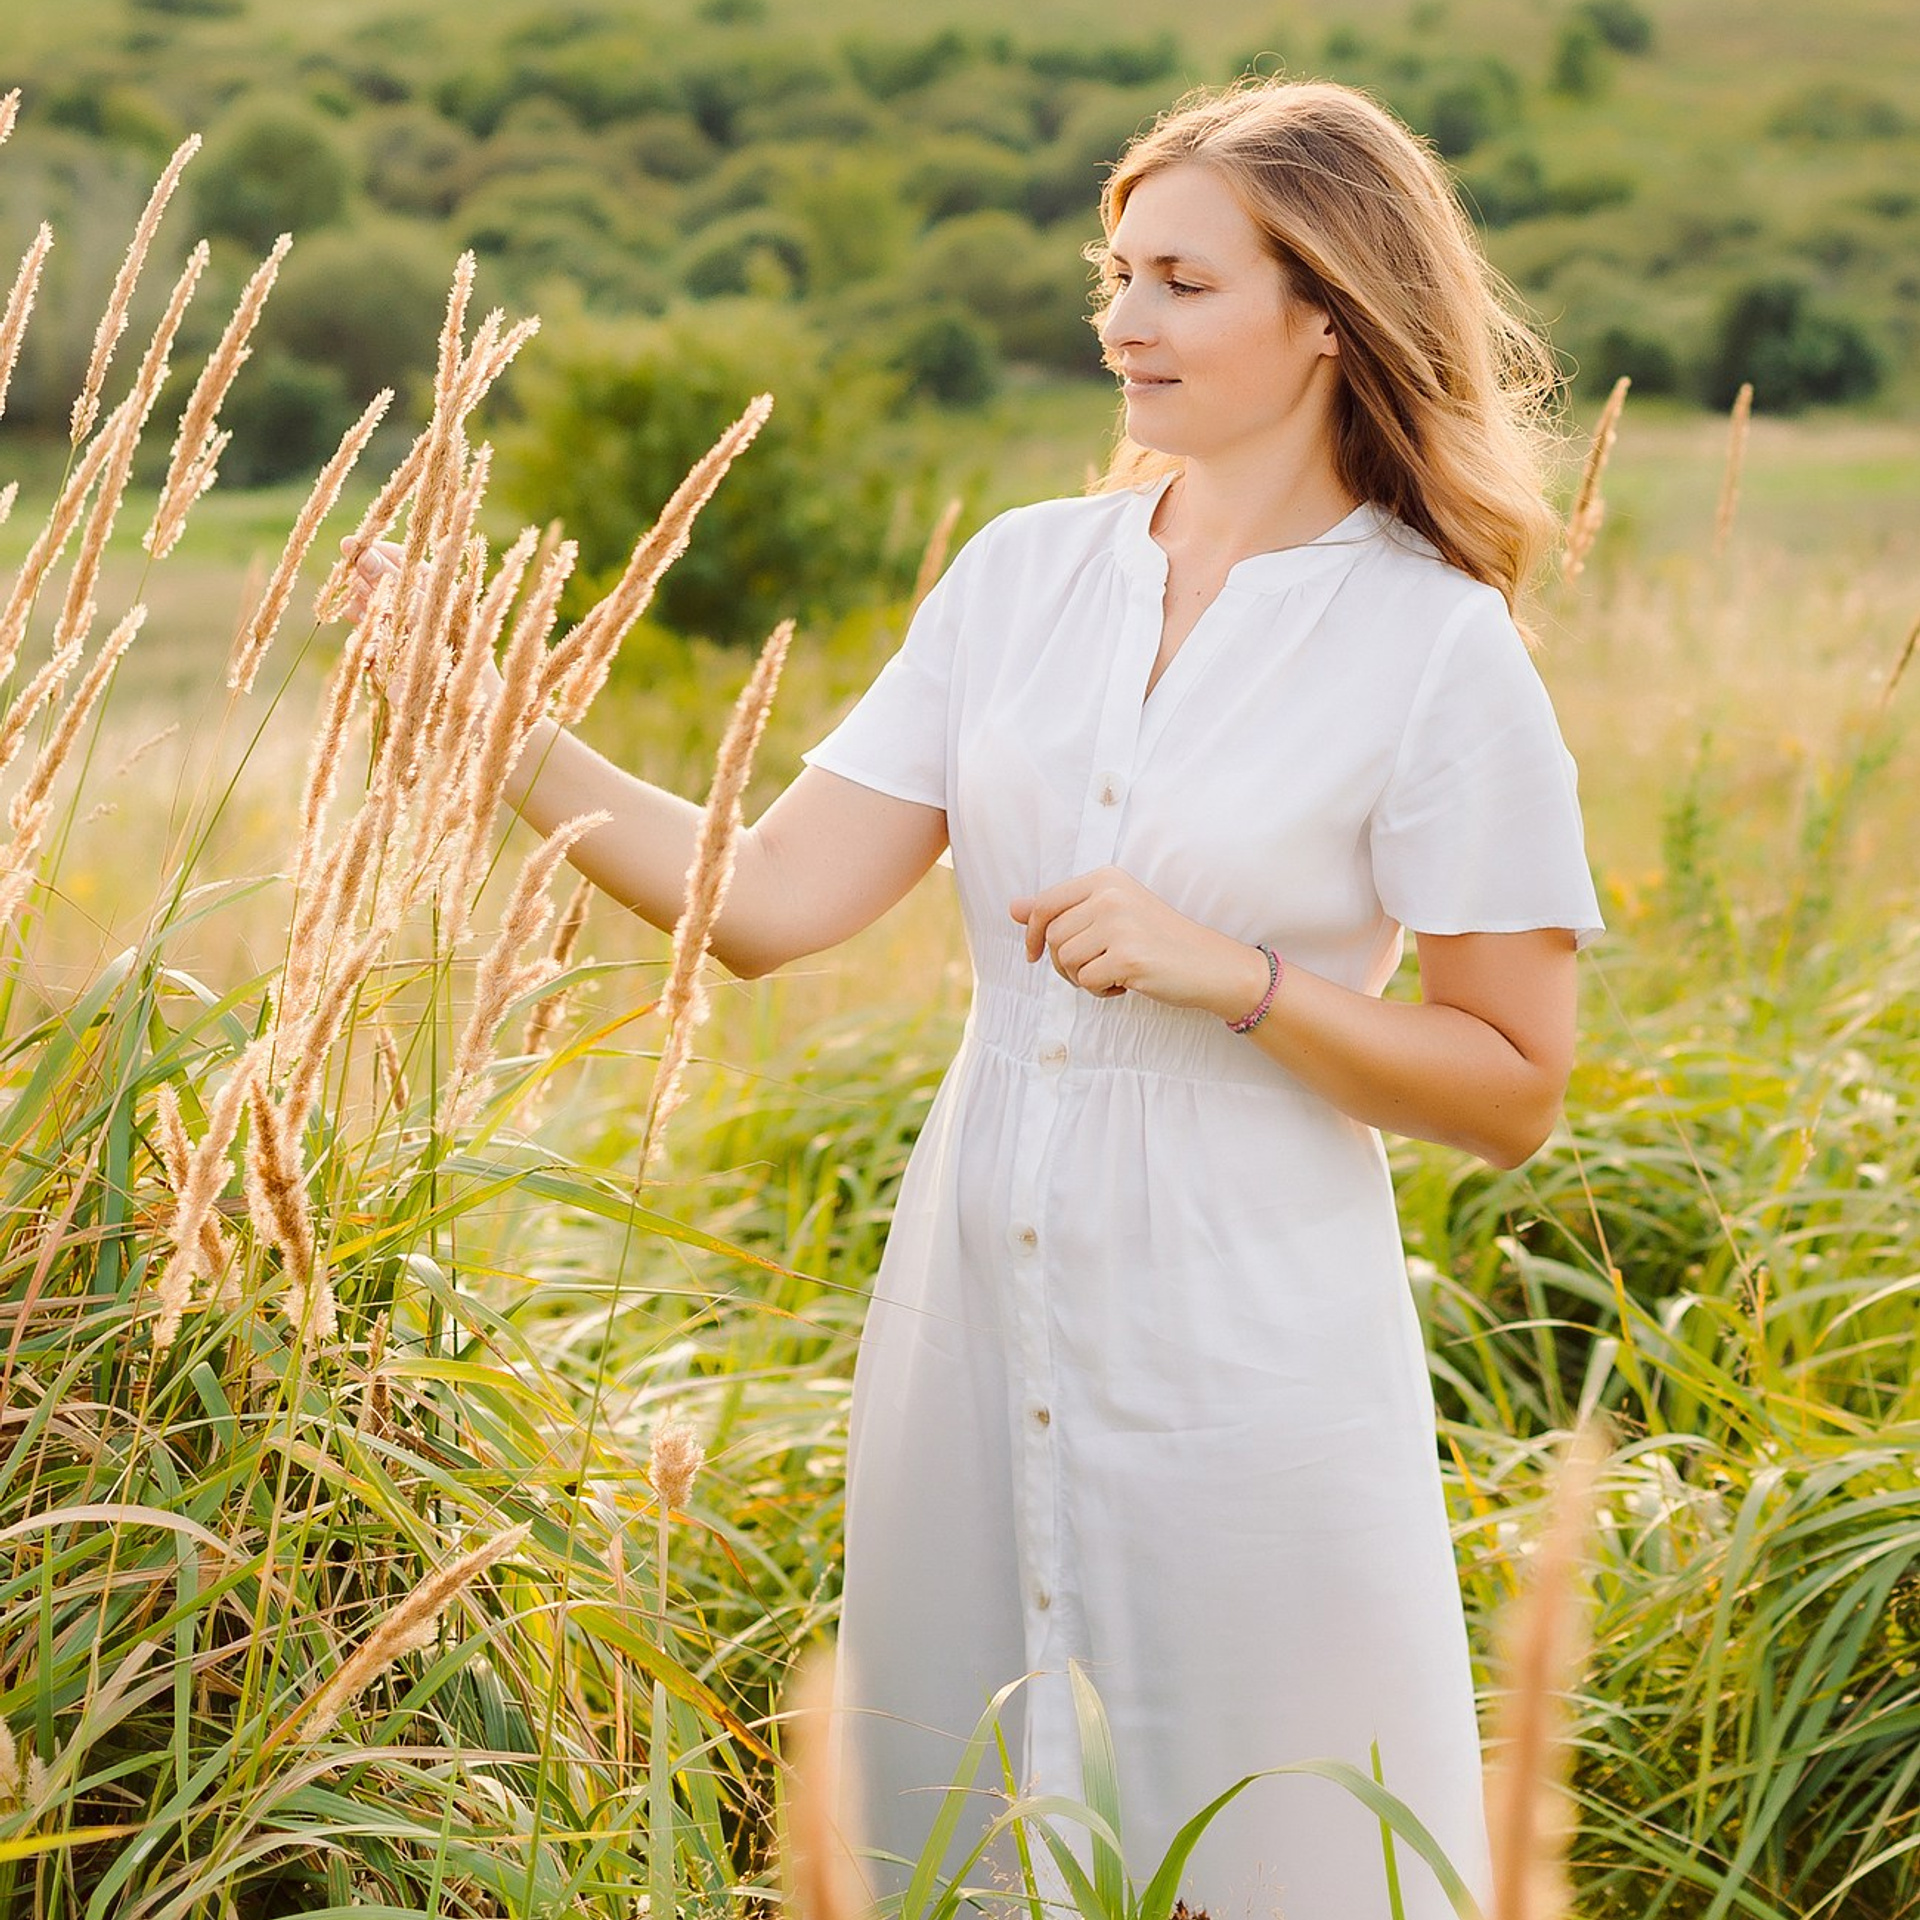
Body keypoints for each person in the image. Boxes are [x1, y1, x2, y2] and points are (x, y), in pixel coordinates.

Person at [352, 76, 1602, 1920]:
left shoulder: (1436, 642)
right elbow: (770, 902)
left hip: (1248, 1333)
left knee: (1281, 1834)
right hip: (971, 1298)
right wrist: (491, 724)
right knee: (968, 1823)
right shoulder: (1023, 575)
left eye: (1180, 281)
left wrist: (1236, 979)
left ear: (1325, 310)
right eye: (1117, 273)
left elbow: (1512, 1088)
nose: (1121, 321)